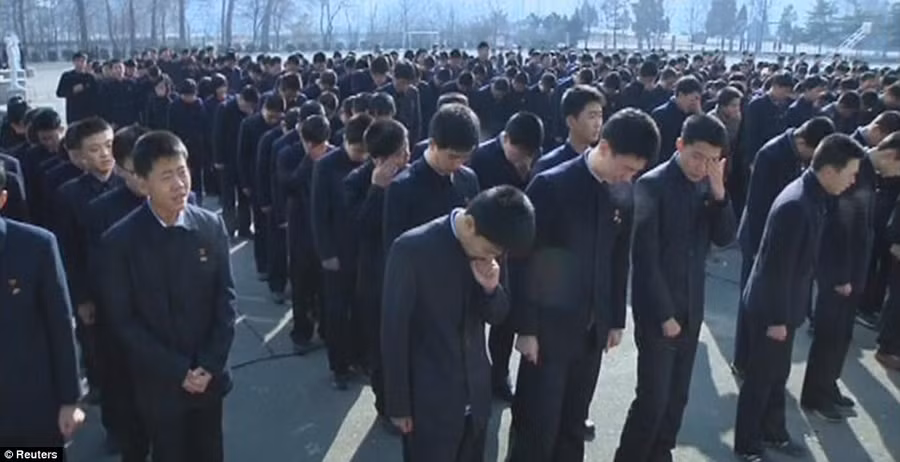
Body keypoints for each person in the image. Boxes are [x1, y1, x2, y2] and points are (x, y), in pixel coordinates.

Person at [508, 108, 660, 462]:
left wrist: (614, 319)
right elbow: (522, 258)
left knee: (574, 423)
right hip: (546, 332)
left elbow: (619, 258)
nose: (628, 177)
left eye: (635, 172)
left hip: (591, 330)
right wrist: (526, 328)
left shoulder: (623, 192)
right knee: (537, 424)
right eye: (626, 168)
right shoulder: (551, 185)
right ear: (604, 147)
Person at [99, 131, 236, 462]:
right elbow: (124, 322)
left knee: (210, 452)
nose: (179, 184)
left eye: (182, 171)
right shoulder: (120, 242)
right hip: (159, 385)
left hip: (209, 379)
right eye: (166, 176)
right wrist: (178, 370)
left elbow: (226, 301)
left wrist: (208, 364)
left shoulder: (210, 226)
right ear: (143, 184)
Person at [734, 133, 865, 462]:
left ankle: (774, 432)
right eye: (850, 173)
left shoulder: (817, 195)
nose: (853, 181)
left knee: (777, 377)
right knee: (760, 380)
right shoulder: (797, 204)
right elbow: (777, 268)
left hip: (787, 304)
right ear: (831, 171)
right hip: (771, 308)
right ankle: (747, 444)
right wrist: (778, 320)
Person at [382, 185, 536, 462]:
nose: (491, 257)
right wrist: (398, 404)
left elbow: (499, 315)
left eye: (498, 253)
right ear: (469, 224)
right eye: (488, 250)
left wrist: (490, 289)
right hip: (429, 402)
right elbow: (394, 332)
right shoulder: (412, 250)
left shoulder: (492, 251)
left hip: (475, 395)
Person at [615, 114, 736, 462]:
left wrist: (719, 193)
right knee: (652, 398)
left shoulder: (706, 185)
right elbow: (645, 261)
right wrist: (665, 315)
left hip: (692, 306)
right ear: (679, 145)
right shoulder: (651, 185)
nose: (703, 166)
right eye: (697, 156)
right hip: (659, 311)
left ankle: (660, 453)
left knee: (678, 396)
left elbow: (726, 238)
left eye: (712, 159)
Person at [801, 130, 900, 421]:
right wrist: (841, 276)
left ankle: (829, 385)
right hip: (839, 275)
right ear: (894, 155)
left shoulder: (869, 172)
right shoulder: (855, 171)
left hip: (854, 271)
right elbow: (839, 230)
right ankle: (816, 395)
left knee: (842, 336)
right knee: (828, 336)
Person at [732, 117, 836, 378]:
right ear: (802, 141)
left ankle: (763, 360)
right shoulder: (771, 155)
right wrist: (757, 249)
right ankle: (743, 360)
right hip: (759, 239)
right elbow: (756, 205)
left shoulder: (795, 153)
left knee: (773, 301)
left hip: (779, 237)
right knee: (751, 300)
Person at [0, 164, 85, 447]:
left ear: (2, 199)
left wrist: (69, 400)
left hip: (30, 407)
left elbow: (60, 324)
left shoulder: (35, 246)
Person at [468, 111, 544, 402]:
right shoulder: (482, 158)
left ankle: (498, 375)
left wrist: (526, 172)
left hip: (515, 252)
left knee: (505, 318)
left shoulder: (535, 161)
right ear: (506, 139)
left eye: (529, 154)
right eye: (518, 152)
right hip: (482, 248)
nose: (521, 158)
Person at [311, 113, 374, 388]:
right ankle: (339, 365)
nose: (361, 156)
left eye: (366, 151)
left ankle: (360, 357)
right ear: (345, 141)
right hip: (337, 250)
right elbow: (318, 215)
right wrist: (327, 254)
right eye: (357, 150)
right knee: (337, 310)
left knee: (362, 309)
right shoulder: (326, 166)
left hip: (364, 251)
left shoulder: (373, 165)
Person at [383, 103, 481, 252]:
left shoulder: (468, 179)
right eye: (452, 156)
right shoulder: (402, 187)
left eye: (465, 157)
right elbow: (395, 250)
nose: (458, 164)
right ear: (433, 144)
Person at [532, 85, 603, 176]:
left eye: (600, 116)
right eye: (592, 117)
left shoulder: (602, 164)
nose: (598, 124)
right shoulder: (549, 165)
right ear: (571, 121)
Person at [651, 76, 703, 164]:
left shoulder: (694, 116)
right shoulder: (659, 114)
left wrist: (699, 114)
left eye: (698, 99)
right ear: (680, 95)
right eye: (692, 100)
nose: (694, 103)